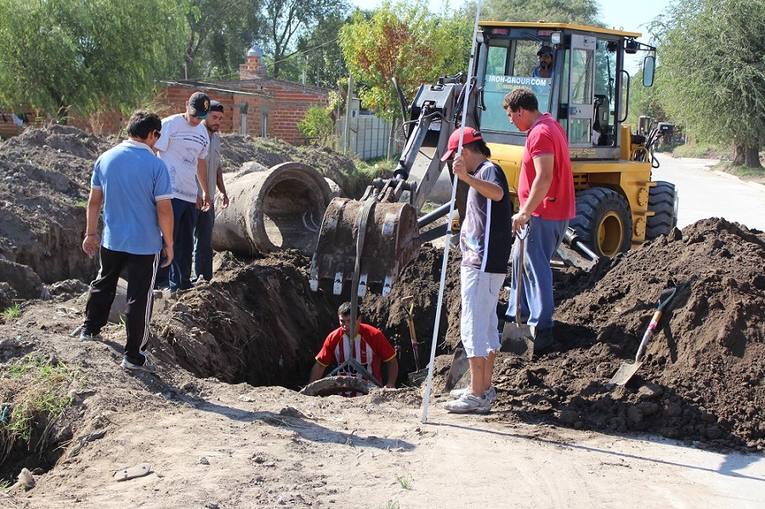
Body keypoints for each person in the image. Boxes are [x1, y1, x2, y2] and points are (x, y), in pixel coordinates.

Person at [80, 111, 174, 373]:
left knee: (103, 282)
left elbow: (94, 201)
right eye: (158, 136)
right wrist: (170, 242)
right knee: (140, 297)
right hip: (145, 243)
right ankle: (134, 356)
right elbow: (164, 210)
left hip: (112, 239)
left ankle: (89, 330)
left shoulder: (105, 158)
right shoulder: (156, 165)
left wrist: (90, 233)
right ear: (153, 134)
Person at [441, 127, 512, 414]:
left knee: (473, 327)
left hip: (481, 263)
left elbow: (496, 194)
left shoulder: (487, 171)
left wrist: (467, 178)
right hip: (485, 261)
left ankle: (477, 394)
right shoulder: (483, 172)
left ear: (466, 152)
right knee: (486, 326)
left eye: (456, 157)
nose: (454, 163)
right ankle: (482, 387)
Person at [503, 87, 575, 351]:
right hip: (549, 211)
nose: (511, 120)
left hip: (543, 212)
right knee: (520, 261)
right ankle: (516, 314)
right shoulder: (550, 126)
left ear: (522, 111)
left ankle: (541, 328)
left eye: (512, 115)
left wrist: (525, 211)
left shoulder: (541, 133)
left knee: (536, 267)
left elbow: (544, 177)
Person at [154, 91, 211, 292]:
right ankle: (158, 283)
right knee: (166, 238)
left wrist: (204, 191)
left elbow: (200, 163)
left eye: (201, 117)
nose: (196, 120)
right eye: (194, 115)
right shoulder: (169, 124)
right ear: (186, 105)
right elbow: (155, 152)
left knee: (186, 242)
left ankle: (181, 283)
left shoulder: (202, 133)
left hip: (188, 194)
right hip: (168, 194)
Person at [309, 302, 398, 391]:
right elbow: (320, 365)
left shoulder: (374, 335)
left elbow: (391, 361)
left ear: (359, 319)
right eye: (342, 321)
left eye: (349, 321)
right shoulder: (333, 338)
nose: (345, 326)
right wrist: (310, 387)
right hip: (341, 393)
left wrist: (391, 383)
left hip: (371, 391)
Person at [193, 100, 229, 282]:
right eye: (214, 117)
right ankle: (180, 280)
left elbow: (217, 168)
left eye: (220, 119)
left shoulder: (216, 139)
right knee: (183, 240)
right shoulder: (193, 135)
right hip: (191, 197)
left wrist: (222, 191)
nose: (218, 122)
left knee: (205, 241)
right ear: (205, 115)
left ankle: (204, 278)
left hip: (209, 199)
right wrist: (196, 193)